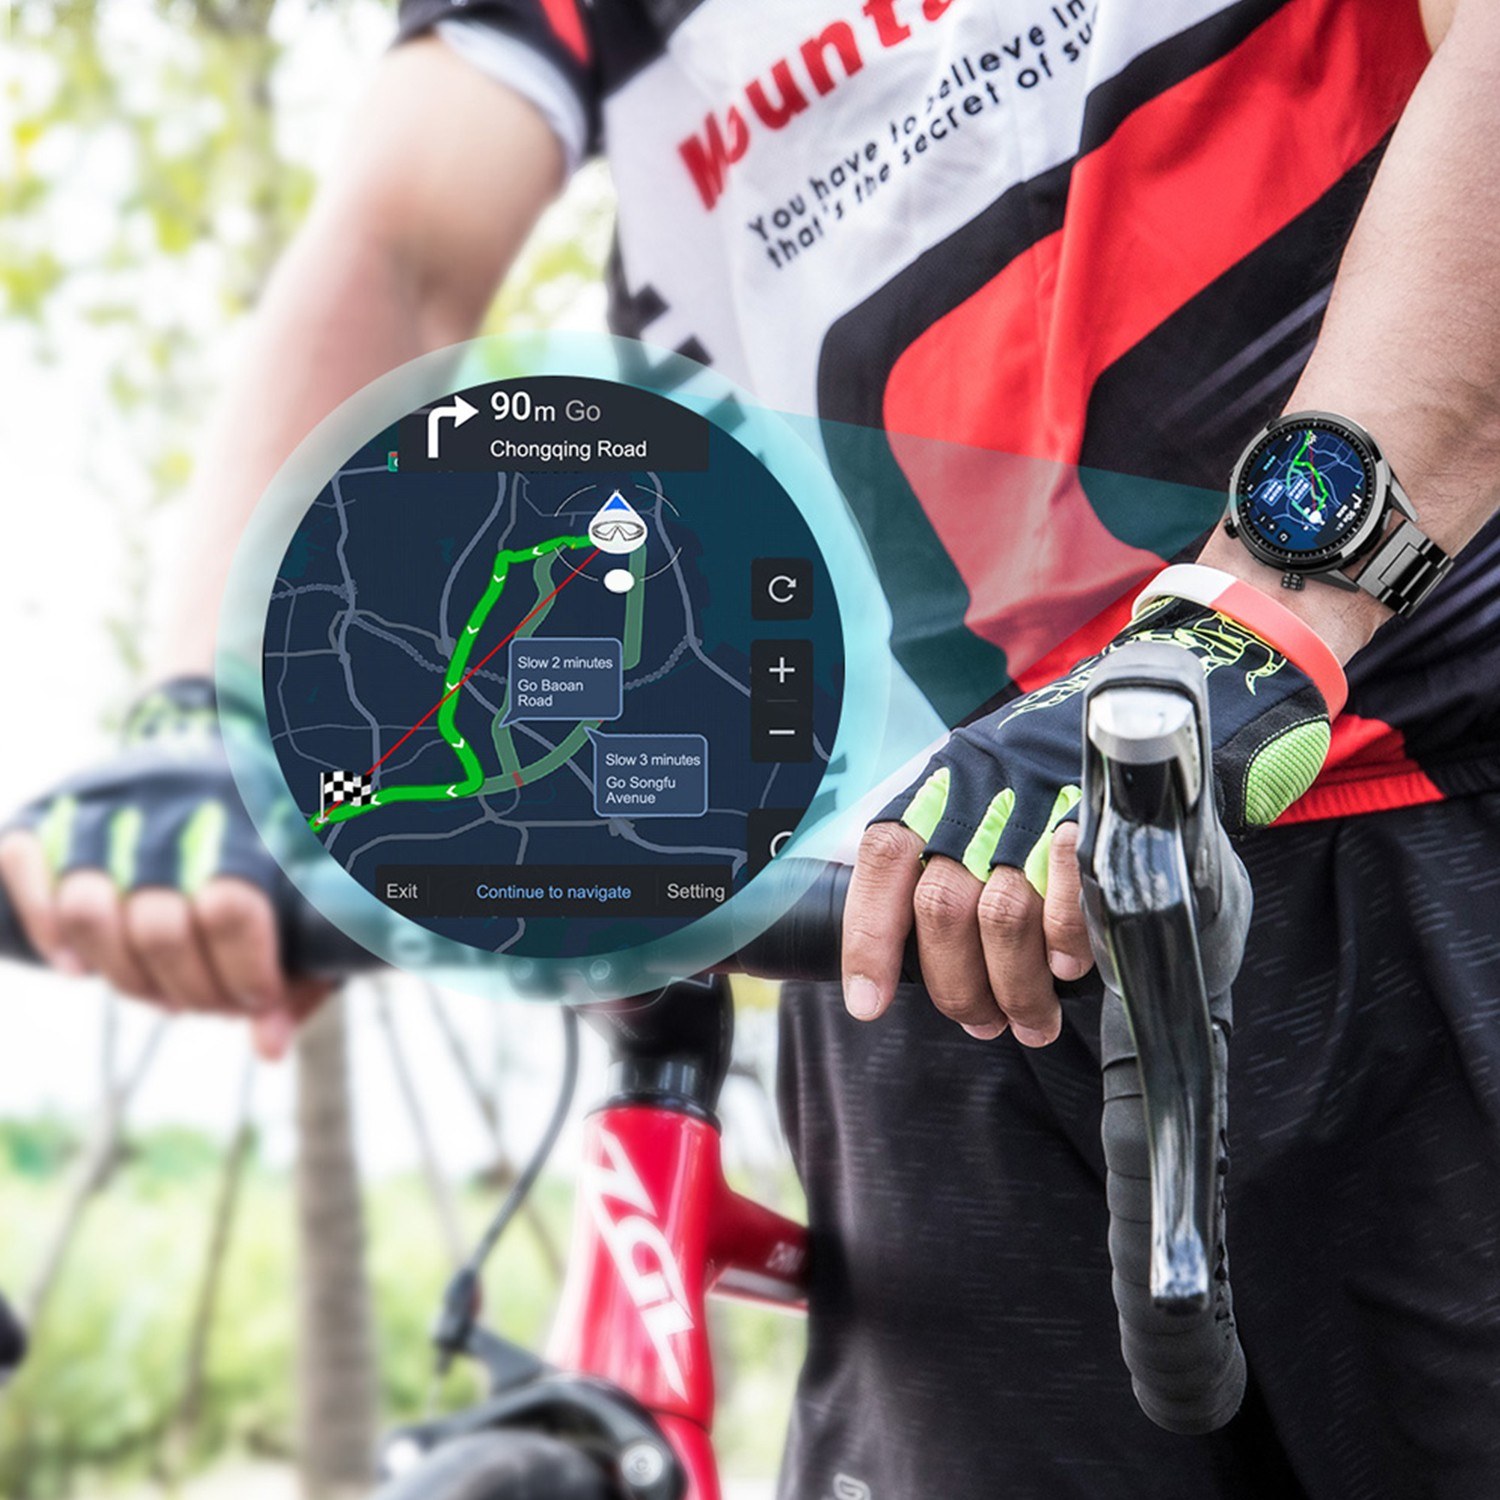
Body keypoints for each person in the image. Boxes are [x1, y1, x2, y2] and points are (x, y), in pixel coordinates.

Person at [3, 1, 1498, 1494]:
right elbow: (399, 239)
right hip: (927, 895)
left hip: (1413, 771)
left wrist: (1264, 609)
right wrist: (207, 719)